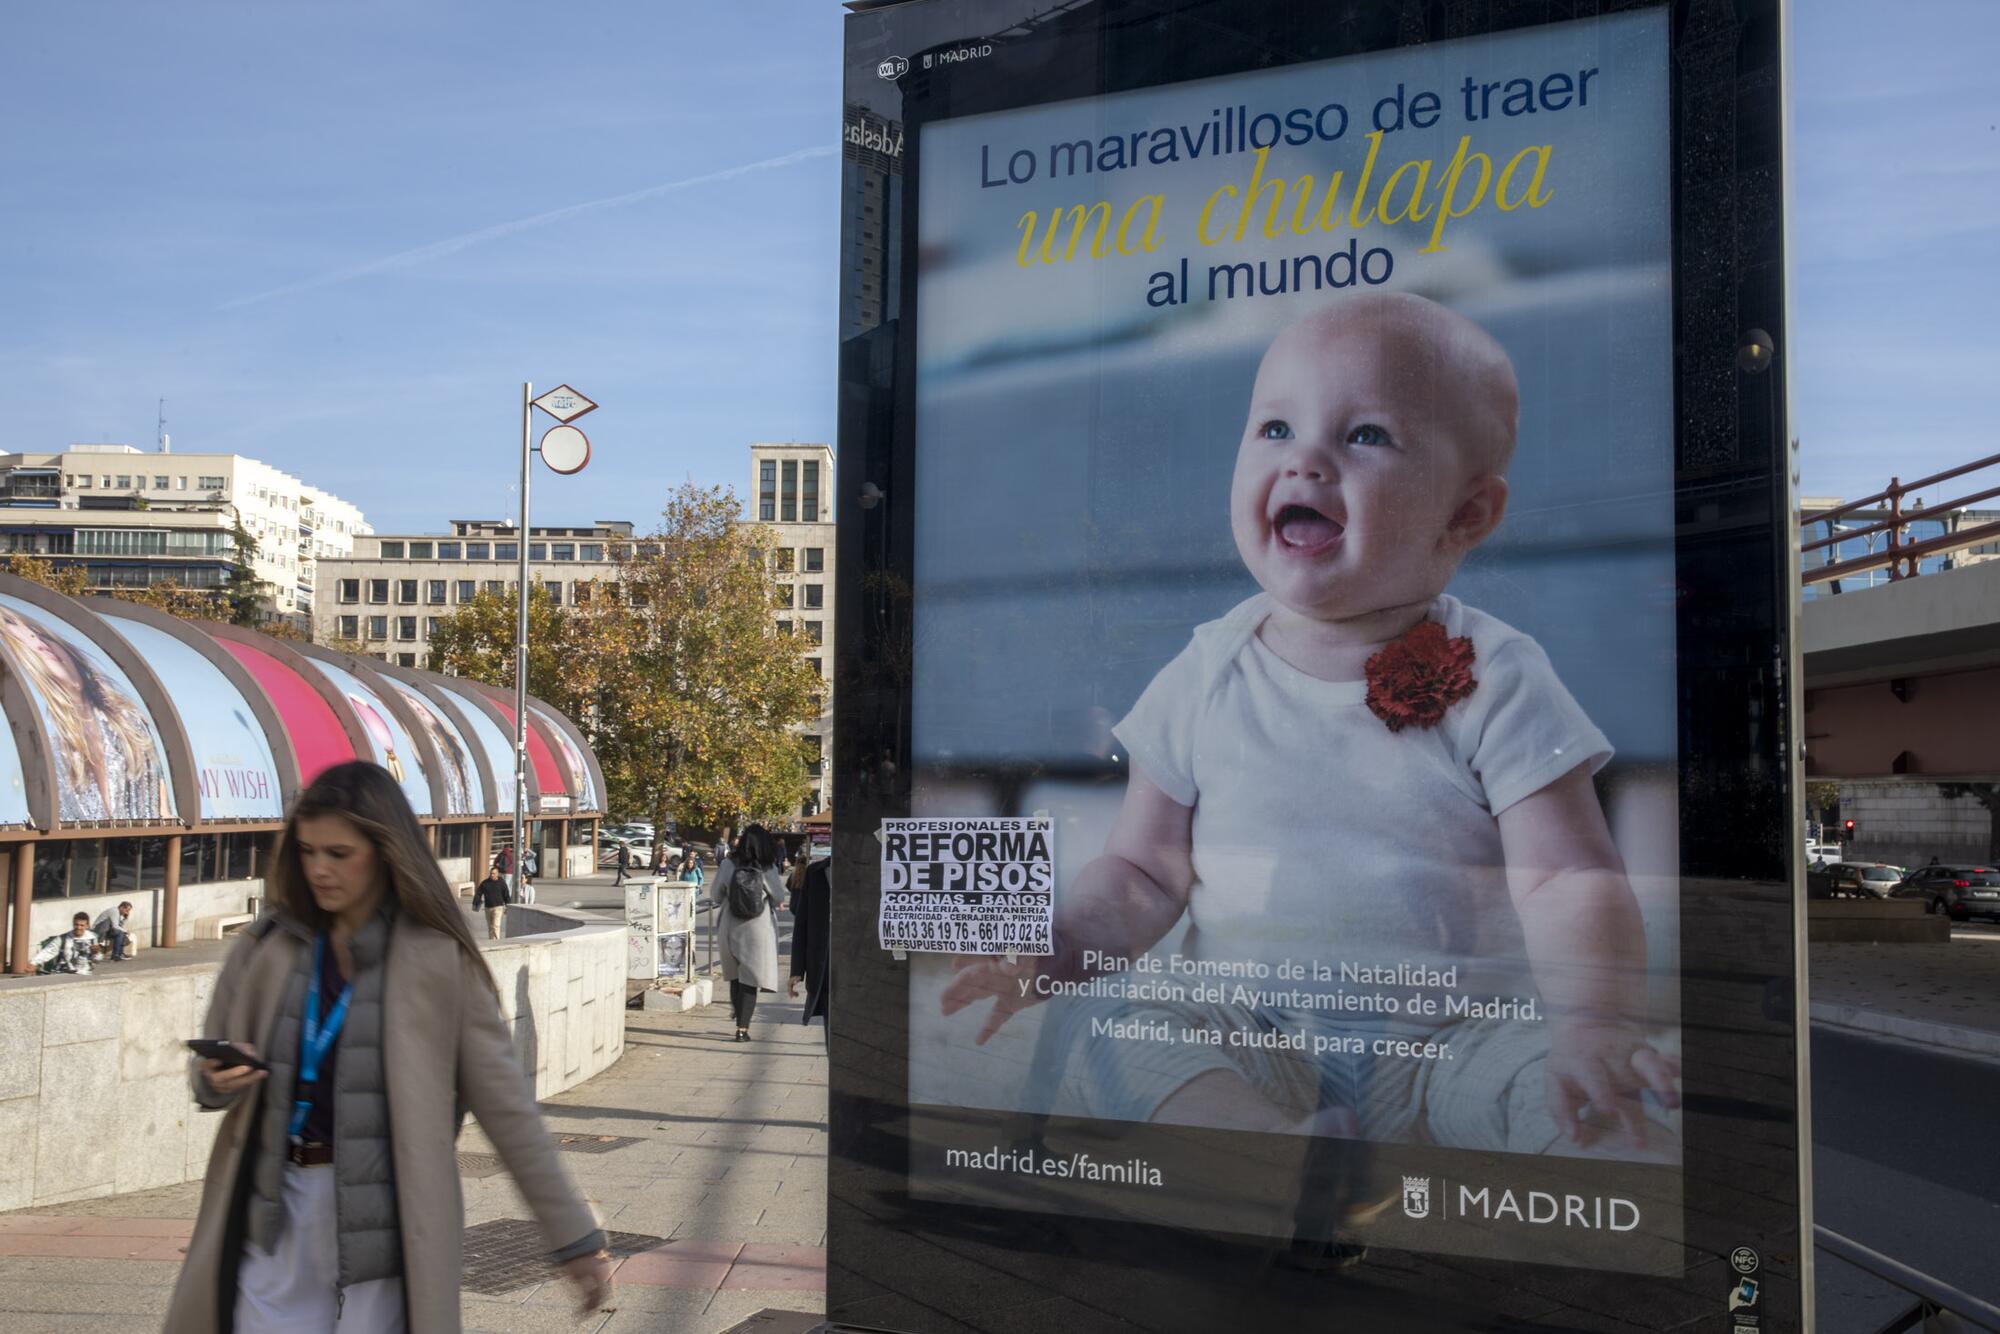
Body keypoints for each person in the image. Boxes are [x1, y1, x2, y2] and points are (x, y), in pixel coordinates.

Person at [943, 294, 1679, 1158]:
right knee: (1114, 1032)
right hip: (1249, 1024)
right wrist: (1065, 944)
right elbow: (1143, 869)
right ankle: (1276, 1153)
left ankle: (1562, 1144)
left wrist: (1591, 1022)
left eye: (1365, 435)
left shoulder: (1497, 672)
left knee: (1595, 1111)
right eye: (1275, 430)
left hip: (1457, 1034)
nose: (1306, 463)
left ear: (1467, 515)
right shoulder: (1205, 672)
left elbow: (1565, 879)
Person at [165, 762, 612, 1333]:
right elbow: (214, 1063)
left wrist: (573, 1239)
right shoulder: (266, 948)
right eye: (307, 851)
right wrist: (212, 1078)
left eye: (338, 853)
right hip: (269, 1219)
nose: (319, 869)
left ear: (384, 851)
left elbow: (510, 1114)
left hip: (386, 1240)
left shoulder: (438, 963)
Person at [709, 824, 785, 1043]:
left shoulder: (727, 864)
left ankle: (737, 1012)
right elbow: (779, 897)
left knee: (735, 975)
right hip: (757, 928)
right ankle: (742, 1029)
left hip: (730, 925)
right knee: (750, 979)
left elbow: (715, 895)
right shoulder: (767, 868)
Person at [790, 853, 830, 1037]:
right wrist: (797, 970)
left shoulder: (869, 870)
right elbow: (802, 924)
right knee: (833, 1036)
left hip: (861, 971)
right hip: (825, 970)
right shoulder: (815, 873)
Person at [33, 912, 100, 975]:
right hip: (64, 974)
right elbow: (48, 951)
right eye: (76, 924)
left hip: (85, 975)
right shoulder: (63, 938)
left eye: (82, 925)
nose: (79, 928)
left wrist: (96, 953)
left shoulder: (92, 938)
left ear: (87, 926)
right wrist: (33, 963)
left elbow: (97, 961)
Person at [472, 867, 511, 939]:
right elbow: (478, 893)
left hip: (498, 907)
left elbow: (506, 894)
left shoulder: (501, 883)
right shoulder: (485, 883)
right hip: (488, 908)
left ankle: (496, 942)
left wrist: (508, 905)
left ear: (497, 874)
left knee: (496, 926)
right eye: (491, 873)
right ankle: (491, 941)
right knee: (490, 927)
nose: (492, 875)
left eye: (493, 873)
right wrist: (475, 903)